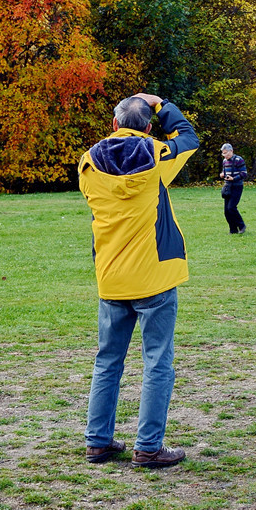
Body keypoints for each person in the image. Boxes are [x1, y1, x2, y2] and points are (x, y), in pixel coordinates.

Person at [78, 91, 199, 469]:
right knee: (157, 362)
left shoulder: (87, 163)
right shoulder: (157, 155)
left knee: (107, 361)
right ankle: (148, 446)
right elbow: (188, 137)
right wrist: (161, 105)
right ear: (148, 127)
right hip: (154, 275)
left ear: (114, 124)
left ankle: (98, 441)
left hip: (111, 275)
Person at [218, 142, 248, 234]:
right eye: (223, 153)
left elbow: (244, 174)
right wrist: (222, 175)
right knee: (226, 211)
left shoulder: (239, 160)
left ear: (231, 151)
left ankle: (242, 225)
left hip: (237, 186)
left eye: (226, 153)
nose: (224, 155)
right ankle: (233, 229)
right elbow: (225, 172)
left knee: (231, 207)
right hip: (228, 186)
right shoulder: (224, 161)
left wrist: (234, 178)